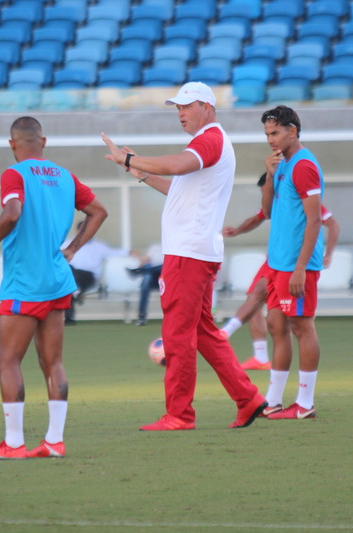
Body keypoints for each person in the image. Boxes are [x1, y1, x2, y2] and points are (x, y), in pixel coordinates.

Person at [101, 81, 267, 431]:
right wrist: (141, 172)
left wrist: (130, 157)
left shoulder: (209, 139)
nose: (180, 112)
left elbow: (177, 166)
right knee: (204, 332)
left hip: (188, 253)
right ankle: (248, 398)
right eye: (177, 107)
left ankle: (179, 414)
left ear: (207, 106)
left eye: (186, 106)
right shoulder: (210, 140)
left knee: (178, 334)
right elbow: (179, 185)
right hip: (198, 251)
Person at [0, 116, 108, 460]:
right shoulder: (64, 176)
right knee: (53, 362)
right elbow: (98, 211)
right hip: (57, 280)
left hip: (25, 284)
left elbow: (12, 212)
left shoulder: (13, 173)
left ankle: (14, 443)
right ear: (43, 141)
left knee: (7, 360)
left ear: (12, 144)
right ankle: (54, 441)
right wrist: (73, 248)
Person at [221, 174, 340, 371]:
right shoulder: (274, 202)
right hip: (276, 259)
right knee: (256, 297)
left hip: (293, 262)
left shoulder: (302, 199)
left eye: (266, 192)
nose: (265, 198)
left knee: (289, 319)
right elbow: (258, 217)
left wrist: (329, 254)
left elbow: (332, 224)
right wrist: (237, 231)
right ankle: (259, 356)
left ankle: (224, 333)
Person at [259, 105, 325, 420]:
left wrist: (300, 267)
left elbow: (314, 221)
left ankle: (305, 403)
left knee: (301, 327)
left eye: (275, 133)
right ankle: (272, 400)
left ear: (293, 131)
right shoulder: (284, 165)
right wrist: (270, 176)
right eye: (267, 134)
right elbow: (269, 211)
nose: (271, 140)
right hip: (278, 263)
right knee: (275, 325)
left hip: (296, 265)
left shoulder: (304, 166)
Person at [63, 221, 130, 325]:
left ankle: (76, 291)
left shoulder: (98, 246)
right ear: (77, 232)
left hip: (89, 277)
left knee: (70, 279)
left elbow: (117, 252)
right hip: (71, 275)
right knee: (69, 274)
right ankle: (69, 317)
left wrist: (132, 253)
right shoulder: (67, 244)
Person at [128, 243, 163, 326]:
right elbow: (144, 261)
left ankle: (140, 271)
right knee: (146, 279)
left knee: (163, 266)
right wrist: (137, 258)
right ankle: (141, 316)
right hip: (155, 280)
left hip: (167, 277)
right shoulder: (155, 247)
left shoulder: (173, 247)